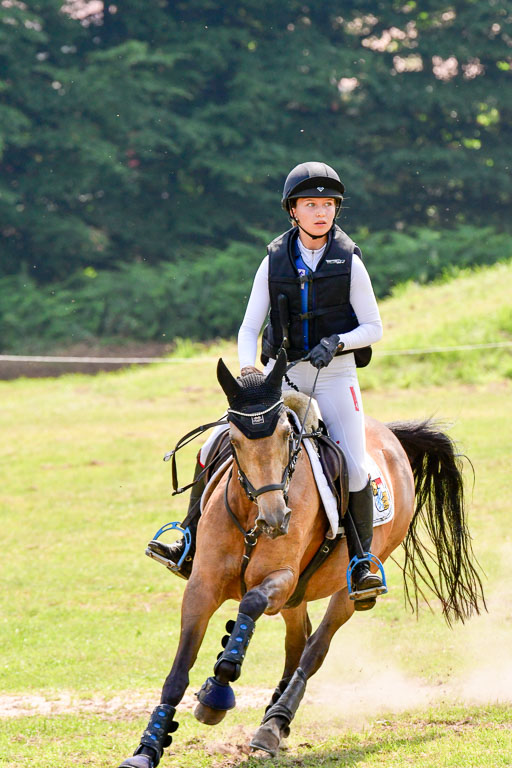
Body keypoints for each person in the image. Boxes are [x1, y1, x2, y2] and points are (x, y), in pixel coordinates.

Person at [149, 161, 384, 609]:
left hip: (335, 378)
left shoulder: (350, 261)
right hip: (284, 378)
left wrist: (337, 342)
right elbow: (247, 330)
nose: (321, 212)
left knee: (355, 466)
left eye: (328, 205)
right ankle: (185, 534)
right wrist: (249, 373)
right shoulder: (273, 260)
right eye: (310, 204)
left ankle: (361, 563)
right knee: (214, 443)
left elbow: (373, 327)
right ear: (293, 211)